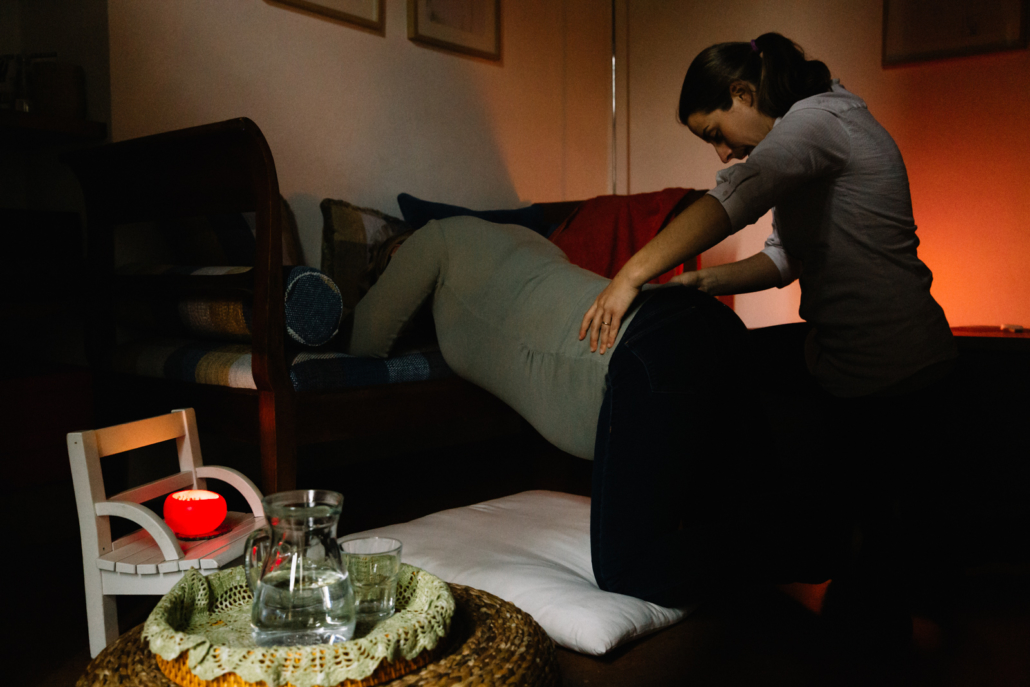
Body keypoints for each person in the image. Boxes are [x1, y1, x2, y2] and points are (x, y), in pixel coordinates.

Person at [340, 216, 797, 608]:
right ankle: (803, 536)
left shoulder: (432, 238)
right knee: (735, 517)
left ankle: (803, 541)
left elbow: (366, 340)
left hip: (647, 352)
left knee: (626, 569)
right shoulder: (523, 239)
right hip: (701, 320)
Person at [580, 32, 956, 400]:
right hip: (839, 358)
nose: (723, 154)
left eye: (715, 133)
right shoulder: (802, 136)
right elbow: (785, 256)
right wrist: (700, 282)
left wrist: (629, 276)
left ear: (741, 93)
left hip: (899, 366)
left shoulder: (818, 122)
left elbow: (737, 196)